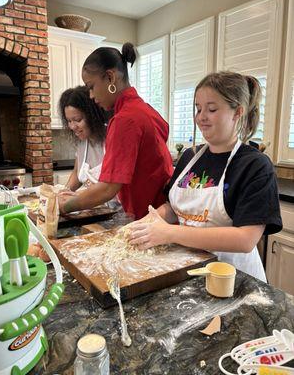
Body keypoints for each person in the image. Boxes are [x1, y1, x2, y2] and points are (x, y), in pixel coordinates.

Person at [128, 71, 282, 281]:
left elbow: (245, 239)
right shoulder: (190, 157)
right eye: (198, 108)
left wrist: (169, 233)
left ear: (238, 112)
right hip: (189, 268)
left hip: (235, 278)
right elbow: (175, 208)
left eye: (211, 109)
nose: (201, 117)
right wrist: (149, 223)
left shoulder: (254, 166)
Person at [58, 43, 173, 219]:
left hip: (148, 215)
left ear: (110, 77)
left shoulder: (124, 119)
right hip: (164, 210)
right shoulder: (145, 109)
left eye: (91, 87)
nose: (91, 95)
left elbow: (108, 188)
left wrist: (64, 206)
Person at [58, 85, 112, 191]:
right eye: (69, 121)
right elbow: (76, 174)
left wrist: (74, 200)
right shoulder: (82, 142)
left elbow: (109, 189)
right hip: (97, 206)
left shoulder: (111, 139)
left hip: (117, 207)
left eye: (77, 120)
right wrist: (63, 193)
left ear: (93, 116)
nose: (73, 126)